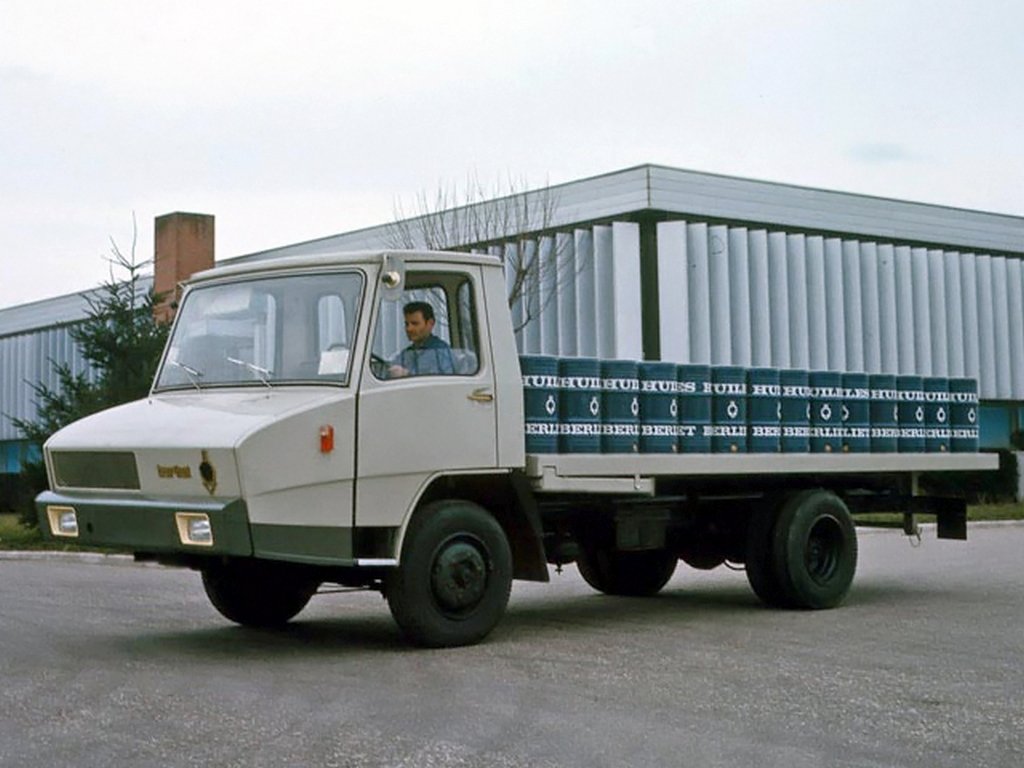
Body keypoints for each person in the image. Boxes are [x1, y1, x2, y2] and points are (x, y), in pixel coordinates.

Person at [388, 301, 455, 377]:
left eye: (415, 323)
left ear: (430, 323)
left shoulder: (441, 351)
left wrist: (408, 374)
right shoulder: (407, 353)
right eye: (407, 324)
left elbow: (444, 380)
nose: (409, 329)